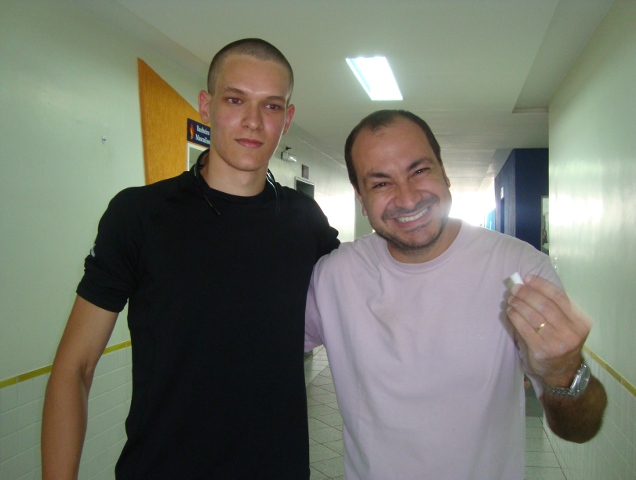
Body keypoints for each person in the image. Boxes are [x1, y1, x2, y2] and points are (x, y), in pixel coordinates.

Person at [42, 38, 339, 479]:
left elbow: (369, 296)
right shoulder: (140, 215)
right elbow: (75, 368)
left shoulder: (305, 221)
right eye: (235, 100)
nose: (254, 121)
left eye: (271, 106)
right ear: (206, 106)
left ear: (287, 119)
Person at [304, 109, 607, 480]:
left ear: (444, 172)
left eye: (419, 170)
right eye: (381, 183)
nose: (407, 198)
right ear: (361, 199)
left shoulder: (517, 268)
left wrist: (564, 372)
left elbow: (579, 430)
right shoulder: (334, 275)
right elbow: (258, 357)